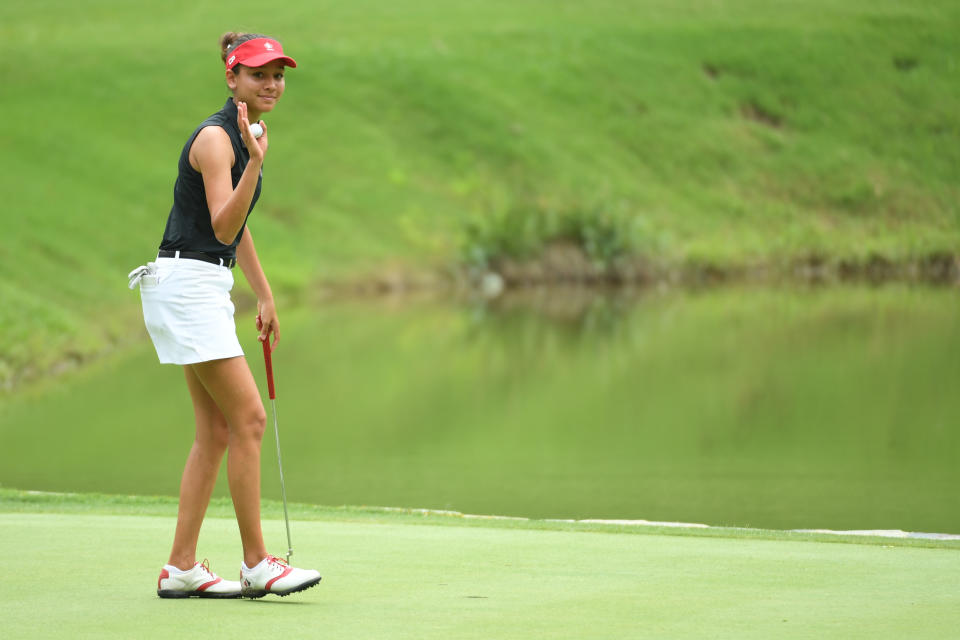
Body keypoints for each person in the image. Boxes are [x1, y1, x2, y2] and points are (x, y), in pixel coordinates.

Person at [128, 32, 321, 599]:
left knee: (214, 432)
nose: (271, 84)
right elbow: (221, 225)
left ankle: (181, 568)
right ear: (232, 78)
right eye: (258, 74)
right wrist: (255, 167)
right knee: (250, 419)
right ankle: (258, 563)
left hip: (199, 282)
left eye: (278, 75)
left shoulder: (247, 135)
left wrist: (263, 292)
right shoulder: (218, 140)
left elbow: (239, 228)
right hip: (188, 284)